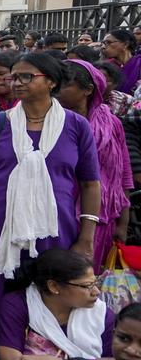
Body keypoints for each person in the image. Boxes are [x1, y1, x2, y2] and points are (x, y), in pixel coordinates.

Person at [0, 52, 101, 360]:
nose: (16, 82)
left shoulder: (76, 126)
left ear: (52, 82)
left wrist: (87, 237)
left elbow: (89, 183)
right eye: (14, 76)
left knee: (44, 293)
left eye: (27, 77)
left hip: (51, 227)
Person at [0, 249, 115, 360]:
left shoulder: (103, 315)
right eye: (87, 286)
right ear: (53, 286)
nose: (96, 292)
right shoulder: (18, 304)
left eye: (96, 282)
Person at [58, 59, 132, 268]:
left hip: (102, 218)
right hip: (60, 214)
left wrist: (123, 223)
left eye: (65, 85)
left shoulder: (112, 123)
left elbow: (123, 172)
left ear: (88, 89)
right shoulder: (50, 122)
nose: (57, 91)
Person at [103, 28, 140, 95]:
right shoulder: (105, 66)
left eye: (108, 42)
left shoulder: (139, 64)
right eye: (104, 43)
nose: (103, 46)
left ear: (125, 44)